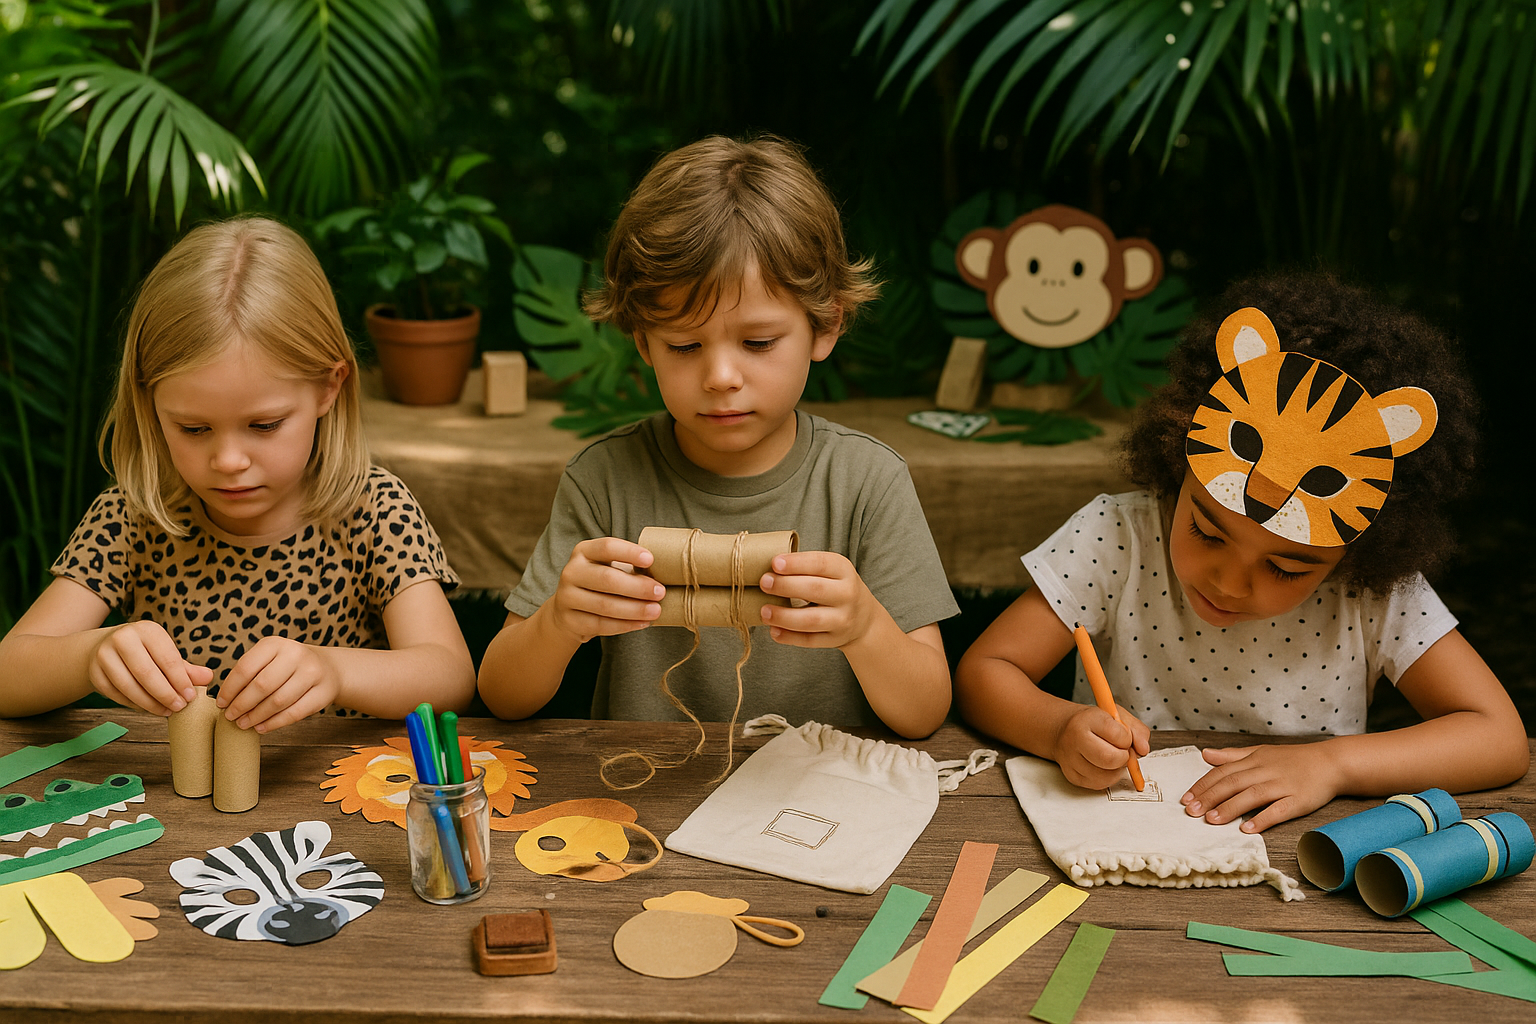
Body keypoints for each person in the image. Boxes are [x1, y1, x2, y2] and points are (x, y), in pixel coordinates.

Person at [957, 272, 1528, 831]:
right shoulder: (1119, 535)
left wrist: (1332, 764)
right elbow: (987, 671)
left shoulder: (1370, 587)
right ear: (1178, 466)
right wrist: (1056, 727)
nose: (1229, 582)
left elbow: (1499, 738)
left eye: (1285, 567)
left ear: (1358, 553)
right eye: (1207, 532)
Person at [477, 135, 957, 737]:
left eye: (758, 343)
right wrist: (557, 623)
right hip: (645, 798)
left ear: (826, 325)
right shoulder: (603, 479)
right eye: (684, 345)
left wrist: (866, 629)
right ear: (642, 342)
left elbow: (925, 712)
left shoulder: (867, 482)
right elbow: (502, 696)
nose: (721, 378)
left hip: (823, 804)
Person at [0, 217, 475, 730]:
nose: (228, 461)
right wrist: (88, 656)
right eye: (194, 428)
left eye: (264, 425)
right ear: (149, 402)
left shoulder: (374, 510)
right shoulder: (134, 516)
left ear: (328, 388)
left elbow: (450, 680)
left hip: (336, 801)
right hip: (176, 804)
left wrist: (334, 670)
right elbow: (8, 676)